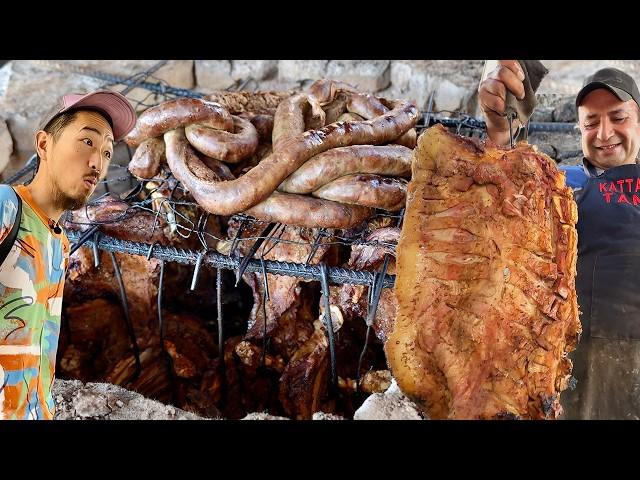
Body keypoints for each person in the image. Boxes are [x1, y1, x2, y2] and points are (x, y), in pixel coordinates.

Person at [478, 61, 640, 419]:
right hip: (552, 375)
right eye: (592, 122)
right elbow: (503, 184)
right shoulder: (556, 179)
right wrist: (501, 124)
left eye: (618, 117)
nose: (604, 133)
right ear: (578, 128)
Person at [0, 90, 136, 419]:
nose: (97, 163)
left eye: (107, 152)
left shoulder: (59, 242)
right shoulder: (5, 206)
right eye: (87, 142)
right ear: (44, 144)